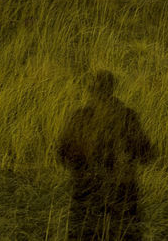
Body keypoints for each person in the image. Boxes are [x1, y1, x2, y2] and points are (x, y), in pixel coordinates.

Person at [56, 70, 156, 240]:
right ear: (113, 89)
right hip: (122, 198)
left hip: (85, 197)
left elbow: (62, 155)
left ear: (91, 90)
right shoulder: (127, 117)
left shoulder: (80, 118)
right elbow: (146, 155)